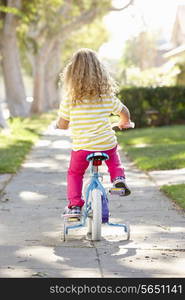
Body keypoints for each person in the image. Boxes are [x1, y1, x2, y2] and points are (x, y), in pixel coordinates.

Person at [56, 48, 134, 218]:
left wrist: (59, 124)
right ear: (99, 72)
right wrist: (124, 122)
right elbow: (123, 111)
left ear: (71, 73)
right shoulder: (105, 96)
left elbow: (63, 124)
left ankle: (75, 206)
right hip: (105, 144)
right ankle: (118, 179)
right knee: (113, 158)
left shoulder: (70, 99)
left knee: (75, 173)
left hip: (82, 148)